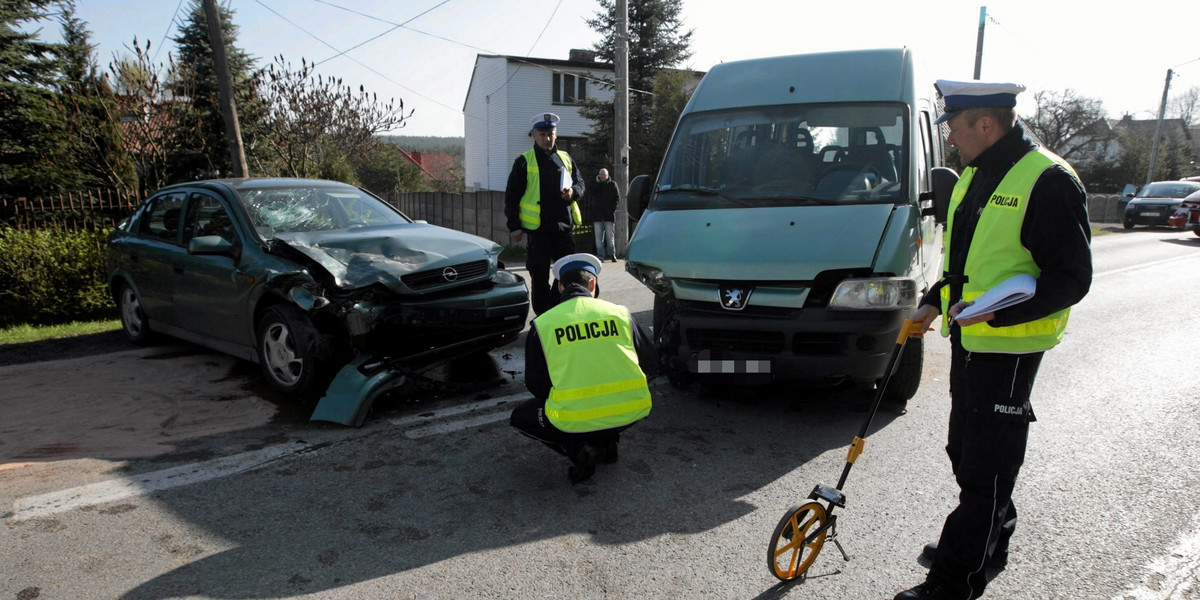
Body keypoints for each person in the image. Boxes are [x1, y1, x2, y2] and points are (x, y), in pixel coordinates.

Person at [894, 80, 1092, 600]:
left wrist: (996, 315)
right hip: (971, 340)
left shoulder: (1047, 179)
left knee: (986, 468)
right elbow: (968, 262)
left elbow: (1071, 277)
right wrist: (935, 301)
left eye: (955, 129)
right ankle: (986, 540)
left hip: (1008, 346)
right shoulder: (975, 176)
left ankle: (953, 581)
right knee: (965, 451)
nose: (951, 140)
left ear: (986, 124)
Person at [510, 252, 657, 484]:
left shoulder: (544, 324)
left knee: (521, 416)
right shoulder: (621, 314)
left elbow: (536, 386)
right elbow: (650, 364)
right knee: (604, 410)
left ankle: (580, 449)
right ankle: (608, 444)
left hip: (572, 418)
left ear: (560, 287)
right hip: (631, 411)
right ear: (593, 284)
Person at [505, 112, 586, 315]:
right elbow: (512, 196)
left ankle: (560, 314)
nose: (546, 138)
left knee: (567, 276)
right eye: (542, 134)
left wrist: (574, 192)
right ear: (534, 135)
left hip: (563, 229)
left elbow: (580, 183)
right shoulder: (523, 162)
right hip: (538, 231)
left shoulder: (565, 158)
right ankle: (542, 320)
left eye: (550, 134)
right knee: (539, 278)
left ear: (556, 134)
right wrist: (514, 227)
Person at [591, 168, 620, 262]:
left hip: (609, 215)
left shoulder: (613, 184)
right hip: (598, 216)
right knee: (598, 239)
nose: (602, 176)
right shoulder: (596, 185)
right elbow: (591, 192)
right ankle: (600, 256)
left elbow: (617, 198)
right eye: (601, 174)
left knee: (610, 237)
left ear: (608, 175)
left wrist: (612, 210)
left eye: (604, 174)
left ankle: (612, 254)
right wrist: (597, 183)